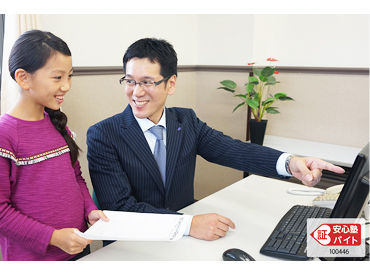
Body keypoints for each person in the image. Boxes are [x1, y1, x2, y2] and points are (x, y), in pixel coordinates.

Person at [86, 38, 345, 242]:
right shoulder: (103, 134)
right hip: (133, 243)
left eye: (147, 82)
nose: (136, 92)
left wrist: (289, 163)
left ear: (171, 84)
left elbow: (232, 150)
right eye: (129, 81)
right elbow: (120, 208)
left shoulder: (185, 121)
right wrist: (188, 224)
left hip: (183, 239)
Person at [0, 30, 108, 261]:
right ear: (23, 78)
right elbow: (1, 213)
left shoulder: (57, 124)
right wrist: (54, 237)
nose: (67, 86)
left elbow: (76, 177)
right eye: (58, 77)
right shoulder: (4, 135)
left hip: (77, 249)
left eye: (70, 76)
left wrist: (90, 210)